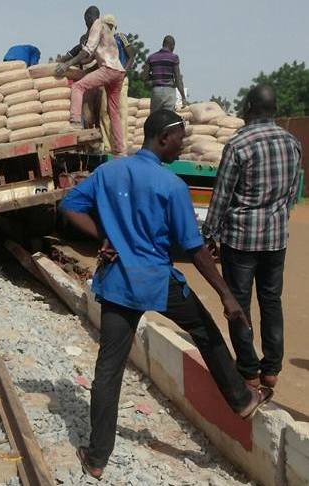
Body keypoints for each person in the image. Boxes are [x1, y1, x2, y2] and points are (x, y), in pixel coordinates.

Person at [60, 110, 273, 480]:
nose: (182, 144)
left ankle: (96, 458)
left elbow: (69, 206)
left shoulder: (108, 172)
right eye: (179, 138)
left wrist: (103, 237)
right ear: (161, 138)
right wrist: (226, 294)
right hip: (157, 281)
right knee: (205, 330)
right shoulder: (171, 185)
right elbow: (195, 249)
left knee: (108, 370)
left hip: (118, 283)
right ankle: (241, 400)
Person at [203, 85, 302, 390]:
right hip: (275, 239)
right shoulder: (292, 142)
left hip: (241, 239)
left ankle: (247, 369)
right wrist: (278, 218)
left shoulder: (238, 144)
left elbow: (221, 196)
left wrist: (209, 234)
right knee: (271, 300)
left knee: (239, 303)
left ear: (248, 107)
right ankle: (271, 368)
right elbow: (291, 193)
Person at [56, 6, 126, 156]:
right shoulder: (108, 31)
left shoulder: (96, 25)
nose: (85, 24)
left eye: (85, 20)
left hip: (108, 70)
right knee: (113, 112)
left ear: (88, 17)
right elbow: (99, 56)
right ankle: (120, 149)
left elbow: (87, 51)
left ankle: (75, 123)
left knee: (78, 87)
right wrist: (86, 70)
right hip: (119, 72)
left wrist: (67, 65)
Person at [99, 14, 135, 153]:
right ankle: (108, 145)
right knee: (104, 113)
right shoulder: (101, 42)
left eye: (109, 25)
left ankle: (121, 146)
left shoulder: (121, 37)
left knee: (121, 112)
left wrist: (123, 71)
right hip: (106, 79)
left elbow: (131, 55)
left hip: (120, 79)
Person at [143, 36, 188, 112]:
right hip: (169, 91)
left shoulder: (151, 57)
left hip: (156, 91)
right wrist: (183, 97)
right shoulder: (174, 58)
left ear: (163, 44)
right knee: (169, 117)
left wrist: (154, 77)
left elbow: (144, 77)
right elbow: (178, 79)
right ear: (172, 46)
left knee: (155, 117)